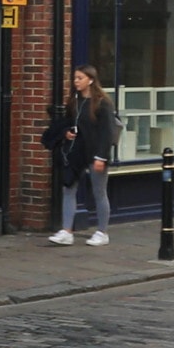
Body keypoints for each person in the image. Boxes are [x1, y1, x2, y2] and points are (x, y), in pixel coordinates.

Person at [51, 64, 116, 246]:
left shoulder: (103, 103)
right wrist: (67, 132)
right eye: (75, 78)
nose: (76, 82)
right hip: (76, 152)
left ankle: (102, 232)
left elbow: (107, 132)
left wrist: (101, 157)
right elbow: (69, 122)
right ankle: (66, 231)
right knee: (68, 189)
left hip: (96, 154)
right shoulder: (75, 101)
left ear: (91, 80)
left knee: (99, 192)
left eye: (80, 78)